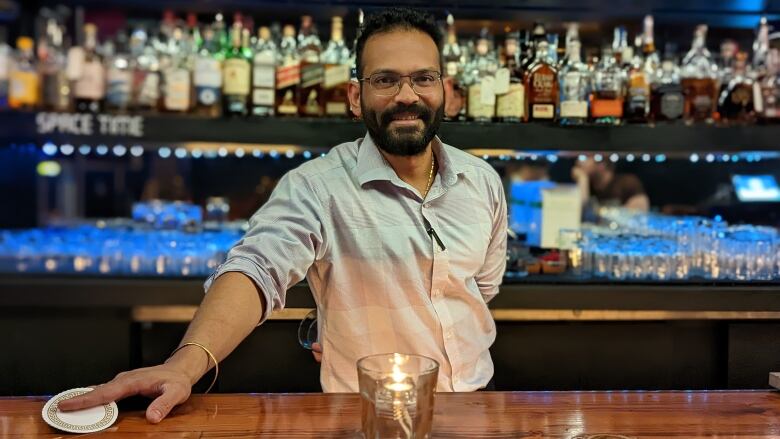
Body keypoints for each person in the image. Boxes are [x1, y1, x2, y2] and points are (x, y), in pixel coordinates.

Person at [59, 7, 507, 423]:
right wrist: (185, 364)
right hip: (365, 418)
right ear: (356, 96)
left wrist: (339, 317)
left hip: (477, 408)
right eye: (385, 80)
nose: (407, 95)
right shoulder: (318, 186)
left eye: (423, 78)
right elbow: (258, 265)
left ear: (445, 91)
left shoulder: (482, 181)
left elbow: (477, 290)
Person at [571, 157, 650, 211]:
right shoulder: (587, 186)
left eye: (585, 158)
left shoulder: (627, 182)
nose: (578, 162)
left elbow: (640, 212)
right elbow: (579, 212)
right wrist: (582, 179)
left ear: (602, 164)